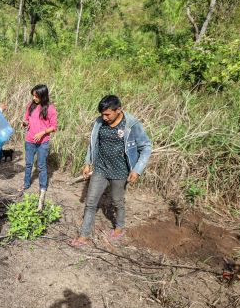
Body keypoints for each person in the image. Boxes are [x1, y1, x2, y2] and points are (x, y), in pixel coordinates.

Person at [71, 95, 152, 246]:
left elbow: (146, 147)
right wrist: (88, 162)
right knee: (90, 202)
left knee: (117, 201)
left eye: (107, 114)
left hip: (121, 172)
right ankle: (84, 235)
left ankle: (120, 226)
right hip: (101, 168)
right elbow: (93, 143)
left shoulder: (131, 125)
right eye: (102, 114)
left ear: (118, 110)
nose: (104, 117)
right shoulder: (99, 122)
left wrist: (137, 170)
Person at [21, 84, 58, 210]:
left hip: (43, 142)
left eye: (36, 96)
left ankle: (43, 187)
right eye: (33, 95)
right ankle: (26, 184)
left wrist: (42, 132)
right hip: (30, 140)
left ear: (43, 96)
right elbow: (26, 119)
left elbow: (54, 127)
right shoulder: (30, 106)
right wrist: (24, 123)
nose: (34, 98)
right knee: (28, 163)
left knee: (41, 165)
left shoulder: (50, 108)